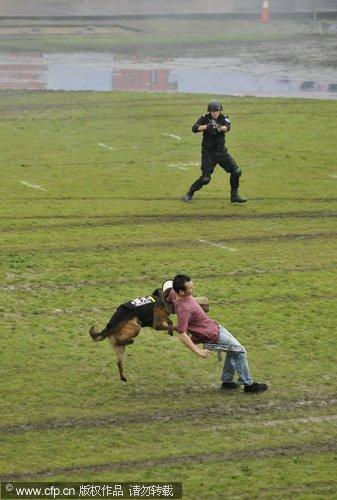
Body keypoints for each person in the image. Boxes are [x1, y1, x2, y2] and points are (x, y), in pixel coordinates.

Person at [166, 274, 268, 393]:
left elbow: (166, 292)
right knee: (240, 351)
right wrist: (198, 350)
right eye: (191, 288)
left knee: (233, 351)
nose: (193, 289)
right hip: (212, 336)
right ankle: (248, 385)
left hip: (214, 327)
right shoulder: (184, 309)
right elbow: (182, 333)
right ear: (182, 292)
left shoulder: (174, 292)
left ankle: (227, 382)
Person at [183, 100, 247, 204]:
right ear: (210, 111)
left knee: (236, 172)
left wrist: (220, 127)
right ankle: (190, 193)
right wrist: (207, 126)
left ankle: (234, 195)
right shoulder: (205, 118)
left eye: (217, 111)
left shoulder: (224, 117)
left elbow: (228, 127)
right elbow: (194, 128)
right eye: (213, 111)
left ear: (220, 111)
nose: (215, 113)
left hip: (221, 152)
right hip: (208, 153)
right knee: (205, 179)